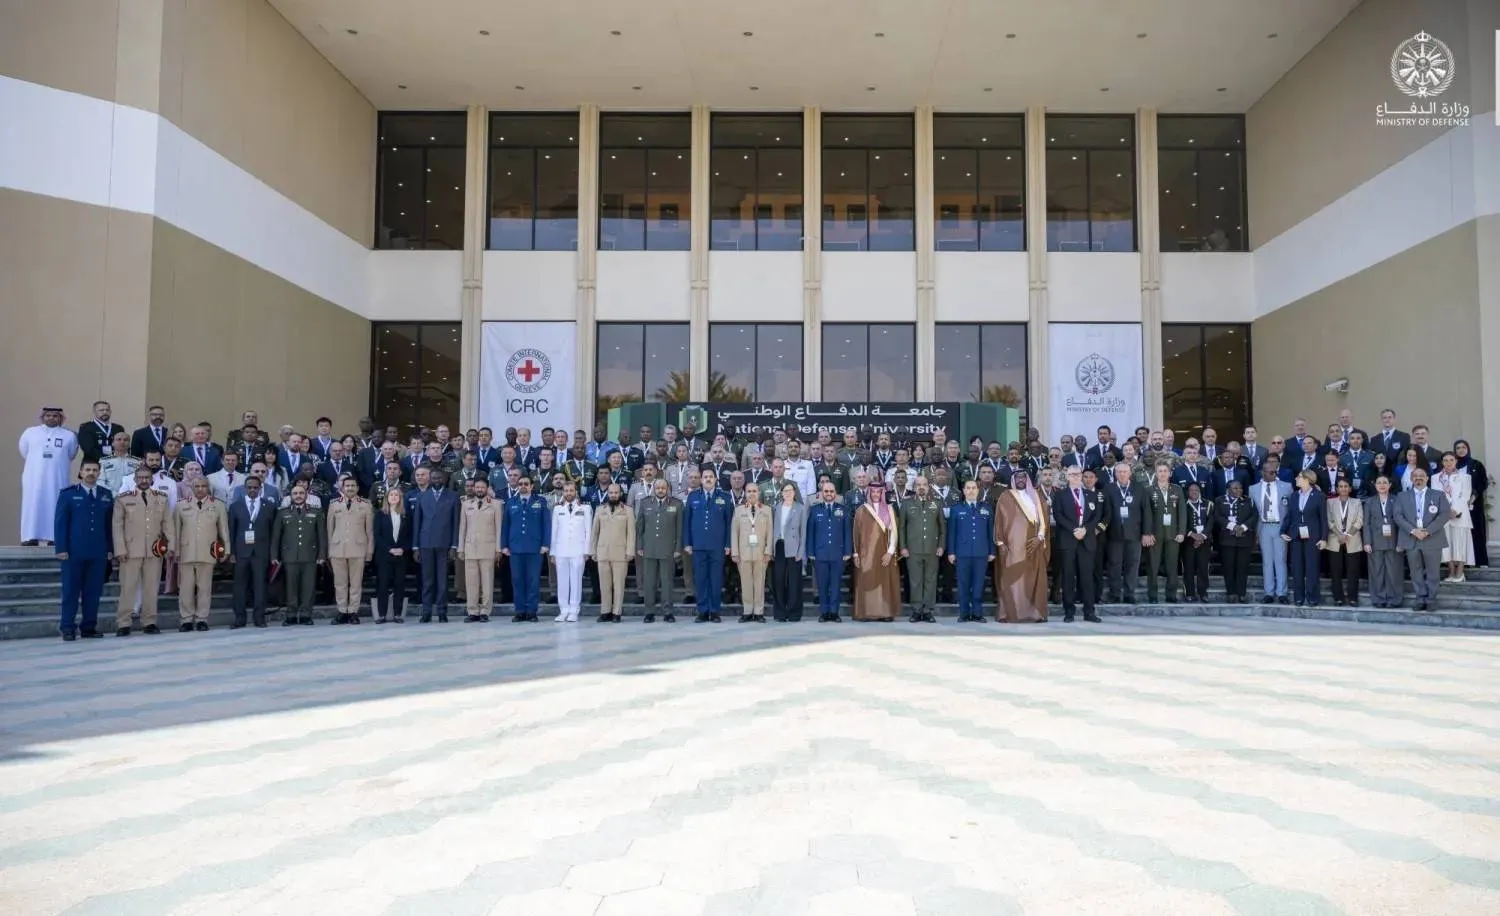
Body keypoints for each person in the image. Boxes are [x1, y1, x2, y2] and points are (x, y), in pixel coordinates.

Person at [54, 459, 114, 640]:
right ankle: (67, 627)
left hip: (98, 552)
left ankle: (88, 627)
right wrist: (61, 548)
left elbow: (109, 525)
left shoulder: (105, 494)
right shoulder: (68, 495)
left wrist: (110, 549)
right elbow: (60, 523)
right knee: (70, 591)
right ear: (80, 472)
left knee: (93, 592)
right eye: (87, 469)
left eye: (95, 470)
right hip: (73, 552)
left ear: (99, 473)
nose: (91, 473)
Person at [111, 466, 174, 636]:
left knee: (151, 588)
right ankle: (123, 623)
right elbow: (117, 526)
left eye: (147, 477)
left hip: (154, 550)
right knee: (128, 588)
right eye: (140, 477)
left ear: (152, 479)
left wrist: (171, 546)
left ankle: (150, 621)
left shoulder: (161, 498)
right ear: (135, 479)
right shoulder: (123, 499)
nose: (144, 480)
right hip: (130, 550)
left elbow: (167, 524)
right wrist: (120, 549)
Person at [995, 470, 1049, 623]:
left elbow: (1043, 519)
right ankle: (1012, 613)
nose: (1020, 480)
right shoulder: (1006, 496)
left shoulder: (1037, 496)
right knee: (1014, 578)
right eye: (1017, 477)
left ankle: (1035, 614)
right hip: (1013, 547)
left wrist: (1040, 537)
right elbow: (999, 521)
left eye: (1023, 477)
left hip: (1035, 544)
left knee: (1034, 579)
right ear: (1013, 479)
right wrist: (1000, 542)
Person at [20, 406, 80, 546]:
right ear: (42, 417)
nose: (51, 418)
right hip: (34, 478)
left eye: (55, 416)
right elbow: (24, 451)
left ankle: (54, 536)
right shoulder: (30, 432)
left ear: (61, 418)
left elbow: (71, 454)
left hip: (57, 478)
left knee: (56, 504)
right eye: (48, 415)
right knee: (32, 505)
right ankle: (30, 537)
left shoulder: (69, 435)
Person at [175, 477, 228, 632]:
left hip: (208, 552)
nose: (200, 489)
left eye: (203, 486)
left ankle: (202, 619)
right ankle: (186, 619)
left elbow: (223, 530)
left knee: (205, 588)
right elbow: (177, 531)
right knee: (185, 588)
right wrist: (175, 551)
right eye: (197, 486)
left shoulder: (217, 505)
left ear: (208, 487)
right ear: (192, 487)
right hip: (186, 552)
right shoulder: (181, 505)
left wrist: (226, 549)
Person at [1052, 466, 1104, 623]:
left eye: (1078, 474)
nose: (1075, 477)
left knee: (1087, 578)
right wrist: (1074, 529)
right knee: (1068, 578)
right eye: (1072, 474)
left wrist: (1085, 529)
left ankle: (1089, 612)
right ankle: (1069, 612)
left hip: (1086, 540)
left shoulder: (1091, 495)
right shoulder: (1060, 495)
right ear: (1067, 477)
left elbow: (1096, 516)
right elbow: (1058, 515)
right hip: (1069, 539)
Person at [271, 482, 327, 626]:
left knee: (308, 587)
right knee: (291, 587)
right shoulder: (283, 512)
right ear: (290, 496)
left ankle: (305, 614)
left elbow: (321, 535)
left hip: (310, 556)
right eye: (295, 493)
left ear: (306, 495)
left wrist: (322, 555)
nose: (298, 496)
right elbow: (276, 536)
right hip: (289, 556)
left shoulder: (316, 511)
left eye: (301, 493)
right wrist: (274, 556)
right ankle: (291, 614)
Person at [1395, 466, 1449, 611]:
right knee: (1415, 571)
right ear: (1411, 479)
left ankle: (1431, 599)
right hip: (1411, 538)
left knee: (1433, 571)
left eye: (1422, 476)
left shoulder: (1438, 495)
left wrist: (1428, 531)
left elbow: (1444, 514)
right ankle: (1420, 598)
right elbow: (1398, 516)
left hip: (1432, 538)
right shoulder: (1402, 496)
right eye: (1415, 476)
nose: (1418, 478)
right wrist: (1413, 530)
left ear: (1427, 478)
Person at [683, 469, 733, 622]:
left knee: (716, 579)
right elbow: (687, 522)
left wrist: (728, 544)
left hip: (717, 546)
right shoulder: (693, 497)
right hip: (698, 546)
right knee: (701, 579)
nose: (708, 479)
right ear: (701, 480)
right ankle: (703, 611)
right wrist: (687, 543)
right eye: (705, 477)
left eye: (711, 477)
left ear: (716, 479)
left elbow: (729, 523)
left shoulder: (724, 497)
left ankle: (715, 611)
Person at [227, 475, 277, 628]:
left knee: (260, 586)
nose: (252, 490)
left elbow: (273, 532)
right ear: (244, 489)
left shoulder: (269, 506)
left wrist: (272, 554)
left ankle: (259, 618)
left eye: (255, 487)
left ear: (260, 488)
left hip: (261, 553)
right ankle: (239, 618)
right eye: (249, 487)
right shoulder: (236, 506)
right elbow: (231, 531)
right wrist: (232, 553)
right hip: (241, 553)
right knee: (240, 586)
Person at [412, 468, 459, 623]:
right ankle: (426, 611)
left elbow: (456, 523)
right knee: (427, 580)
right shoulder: (422, 496)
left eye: (439, 478)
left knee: (442, 580)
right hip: (425, 544)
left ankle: (441, 611)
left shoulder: (453, 497)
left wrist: (454, 546)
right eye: (434, 478)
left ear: (444, 479)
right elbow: (417, 523)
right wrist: (415, 546)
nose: (437, 480)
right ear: (429, 479)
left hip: (444, 544)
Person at [502, 475, 551, 621]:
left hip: (535, 548)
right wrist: (504, 545)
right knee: (517, 580)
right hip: (515, 548)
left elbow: (546, 524)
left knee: (533, 581)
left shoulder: (540, 502)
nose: (523, 486)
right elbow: (505, 525)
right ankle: (519, 611)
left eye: (526, 484)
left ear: (531, 486)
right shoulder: (511, 503)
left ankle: (531, 611)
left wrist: (545, 544)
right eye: (521, 483)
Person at [946, 480, 995, 623]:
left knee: (979, 584)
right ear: (963, 490)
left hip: (981, 553)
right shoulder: (956, 509)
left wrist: (992, 551)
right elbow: (952, 533)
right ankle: (964, 613)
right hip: (962, 553)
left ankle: (977, 613)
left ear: (978, 490)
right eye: (968, 488)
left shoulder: (986, 508)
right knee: (963, 585)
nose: (971, 490)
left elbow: (990, 531)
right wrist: (951, 552)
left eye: (974, 488)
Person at [326, 477, 374, 624]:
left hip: (358, 548)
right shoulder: (334, 505)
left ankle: (353, 611)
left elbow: (369, 530)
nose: (350, 488)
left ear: (358, 488)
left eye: (353, 485)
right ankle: (342, 611)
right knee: (339, 583)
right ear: (342, 488)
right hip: (338, 548)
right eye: (347, 486)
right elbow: (329, 529)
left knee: (355, 583)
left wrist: (369, 551)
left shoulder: (365, 505)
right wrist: (329, 550)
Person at [851, 480, 900, 622]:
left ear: (882, 493)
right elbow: (855, 533)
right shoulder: (862, 509)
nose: (876, 494)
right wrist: (855, 553)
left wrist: (890, 552)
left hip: (884, 553)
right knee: (866, 582)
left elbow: (894, 533)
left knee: (885, 583)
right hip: (866, 555)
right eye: (873, 492)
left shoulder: (890, 509)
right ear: (869, 493)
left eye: (878, 492)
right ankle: (865, 613)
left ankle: (885, 613)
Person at [899, 476, 945, 623]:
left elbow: (943, 528)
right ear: (914, 487)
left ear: (929, 486)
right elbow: (901, 528)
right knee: (915, 581)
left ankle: (928, 611)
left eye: (924, 484)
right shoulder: (906, 504)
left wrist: (941, 546)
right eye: (918, 485)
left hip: (932, 549)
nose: (921, 487)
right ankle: (917, 610)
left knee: (930, 581)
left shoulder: (936, 503)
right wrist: (903, 547)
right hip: (913, 550)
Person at [636, 478, 682, 623]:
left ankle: (668, 611)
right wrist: (640, 546)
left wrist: (677, 548)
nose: (660, 490)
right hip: (649, 548)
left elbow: (679, 529)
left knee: (667, 581)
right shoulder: (645, 503)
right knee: (649, 582)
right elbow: (639, 528)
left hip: (668, 549)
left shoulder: (677, 504)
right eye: (658, 488)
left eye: (663, 488)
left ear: (668, 488)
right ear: (654, 489)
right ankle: (649, 611)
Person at [456, 478, 502, 622]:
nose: (480, 490)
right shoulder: (466, 504)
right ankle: (472, 610)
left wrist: (498, 548)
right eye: (477, 487)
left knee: (487, 581)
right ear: (474, 489)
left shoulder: (495, 504)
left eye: (483, 487)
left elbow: (499, 528)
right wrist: (461, 548)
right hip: (470, 547)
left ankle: (485, 611)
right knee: (471, 582)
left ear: (487, 488)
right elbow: (462, 528)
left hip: (488, 547)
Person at [1280, 470, 1328, 608]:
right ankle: (1299, 597)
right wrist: (1283, 530)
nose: (1296, 478)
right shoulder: (1294, 495)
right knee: (1297, 567)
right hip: (1296, 535)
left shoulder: (1319, 496)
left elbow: (1323, 519)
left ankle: (1313, 597)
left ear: (1307, 479)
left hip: (1313, 536)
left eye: (1299, 477)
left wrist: (1324, 538)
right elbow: (1289, 515)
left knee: (1312, 567)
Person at [807, 481, 852, 622]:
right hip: (820, 554)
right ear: (821, 493)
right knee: (822, 585)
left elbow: (847, 532)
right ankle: (824, 612)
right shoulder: (815, 510)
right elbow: (811, 533)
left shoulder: (843, 509)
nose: (829, 494)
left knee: (835, 585)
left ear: (835, 493)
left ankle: (834, 612)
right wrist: (810, 552)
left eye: (831, 491)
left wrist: (848, 551)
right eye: (826, 491)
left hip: (837, 554)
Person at [590, 482, 635, 623]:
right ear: (607, 494)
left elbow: (631, 533)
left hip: (620, 553)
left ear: (620, 494)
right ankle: (605, 611)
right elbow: (594, 532)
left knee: (619, 585)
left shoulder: (628, 510)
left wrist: (630, 551)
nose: (613, 495)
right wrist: (592, 550)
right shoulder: (599, 509)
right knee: (604, 585)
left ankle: (616, 613)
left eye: (616, 493)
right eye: (611, 493)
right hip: (602, 551)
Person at [1102, 462, 1146, 604]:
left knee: (1132, 564)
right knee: (1114, 564)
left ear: (1130, 473)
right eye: (1119, 472)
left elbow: (1146, 512)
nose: (1122, 474)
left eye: (1125, 472)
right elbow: (1106, 512)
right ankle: (1114, 593)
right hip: (1114, 533)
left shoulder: (1139, 489)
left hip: (1134, 533)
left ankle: (1129, 593)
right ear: (1115, 474)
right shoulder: (1108, 489)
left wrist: (1146, 532)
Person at [1143, 462, 1186, 603]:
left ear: (1170, 473)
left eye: (1165, 471)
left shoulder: (1177, 489)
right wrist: (1148, 533)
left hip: (1173, 533)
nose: (1162, 473)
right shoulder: (1149, 490)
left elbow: (1182, 512)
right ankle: (1153, 595)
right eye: (1160, 471)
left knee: (1172, 565)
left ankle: (1171, 595)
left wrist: (1181, 532)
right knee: (1153, 566)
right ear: (1156, 473)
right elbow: (1147, 514)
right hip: (1155, 533)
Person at [550, 480, 592, 623]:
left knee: (576, 581)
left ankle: (574, 610)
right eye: (566, 491)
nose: (568, 493)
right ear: (563, 492)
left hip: (578, 550)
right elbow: (554, 532)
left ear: (576, 492)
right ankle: (563, 610)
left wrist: (587, 551)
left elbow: (588, 531)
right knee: (562, 581)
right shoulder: (557, 509)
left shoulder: (585, 508)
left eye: (571, 491)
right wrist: (553, 552)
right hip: (561, 550)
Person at [730, 485, 772, 622]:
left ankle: (759, 611)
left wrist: (768, 551)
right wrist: (735, 552)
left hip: (761, 553)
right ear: (745, 493)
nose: (752, 493)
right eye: (749, 491)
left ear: (759, 493)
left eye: (754, 491)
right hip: (744, 553)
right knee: (746, 583)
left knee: (759, 583)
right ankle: (747, 611)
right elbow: (734, 533)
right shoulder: (738, 510)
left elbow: (770, 533)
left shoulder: (767, 510)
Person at [1362, 476, 1404, 608]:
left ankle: (1394, 599)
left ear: (1390, 485)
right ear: (1375, 486)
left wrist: (1401, 542)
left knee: (1394, 571)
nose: (1382, 485)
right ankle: (1379, 599)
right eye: (1379, 482)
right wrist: (1367, 542)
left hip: (1394, 540)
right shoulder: (1369, 502)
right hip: (1375, 541)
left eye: (1385, 482)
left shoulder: (1397, 500)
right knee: (1376, 571)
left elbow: (1402, 523)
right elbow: (1366, 523)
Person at [1432, 451, 1473, 582]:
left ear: (1456, 461)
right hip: (1443, 515)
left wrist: (1455, 510)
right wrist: (1446, 511)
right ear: (1442, 462)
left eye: (1451, 460)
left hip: (1460, 514)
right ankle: (1451, 572)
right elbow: (1435, 496)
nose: (1448, 463)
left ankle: (1460, 573)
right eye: (1445, 460)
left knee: (1460, 543)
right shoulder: (1436, 477)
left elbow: (1465, 495)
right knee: (1446, 545)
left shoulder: (1465, 477)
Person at [769, 482, 807, 622]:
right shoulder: (776, 508)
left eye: (790, 490)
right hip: (779, 546)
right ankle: (780, 612)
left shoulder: (801, 508)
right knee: (778, 581)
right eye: (785, 491)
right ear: (782, 493)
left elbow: (803, 532)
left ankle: (794, 613)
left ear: (795, 492)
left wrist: (801, 552)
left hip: (794, 547)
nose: (788, 493)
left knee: (794, 582)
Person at [372, 487, 412, 622]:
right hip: (385, 555)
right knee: (383, 585)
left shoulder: (406, 514)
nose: (394, 497)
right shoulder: (380, 514)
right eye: (391, 495)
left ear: (400, 498)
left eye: (397, 495)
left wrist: (403, 548)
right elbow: (377, 535)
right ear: (387, 498)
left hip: (401, 555)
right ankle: (382, 614)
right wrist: (389, 549)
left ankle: (397, 614)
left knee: (399, 585)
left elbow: (409, 535)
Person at [1213, 480, 1255, 603]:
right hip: (1227, 539)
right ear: (1228, 490)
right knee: (1228, 567)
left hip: (1244, 539)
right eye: (1235, 488)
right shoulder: (1220, 500)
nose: (1239, 490)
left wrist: (1243, 527)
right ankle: (1231, 593)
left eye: (1240, 488)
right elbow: (1218, 516)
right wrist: (1232, 526)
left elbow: (1254, 516)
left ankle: (1241, 593)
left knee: (1242, 567)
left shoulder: (1248, 501)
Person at [1323, 478, 1364, 606]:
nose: (1343, 488)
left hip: (1352, 539)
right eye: (1340, 486)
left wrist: (1348, 534)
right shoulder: (1330, 502)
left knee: (1353, 571)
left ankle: (1352, 597)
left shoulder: (1357, 502)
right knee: (1336, 571)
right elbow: (1329, 521)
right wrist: (1339, 534)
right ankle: (1338, 597)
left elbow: (1359, 521)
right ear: (1336, 489)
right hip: (1335, 539)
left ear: (1350, 489)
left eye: (1346, 486)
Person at [1453, 440, 1488, 568]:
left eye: (1463, 447)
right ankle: (1462, 562)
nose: (1461, 450)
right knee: (1459, 534)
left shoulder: (1476, 465)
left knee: (1477, 532)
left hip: (1473, 505)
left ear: (1468, 449)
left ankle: (1480, 561)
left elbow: (1483, 482)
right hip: (1457, 507)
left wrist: (1473, 496)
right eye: (1458, 448)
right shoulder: (1452, 466)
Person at [1180, 482, 1212, 602]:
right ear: (1187, 492)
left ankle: (1203, 592)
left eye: (1197, 490)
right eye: (1192, 490)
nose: (1194, 492)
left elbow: (1210, 522)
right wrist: (1192, 535)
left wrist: (1202, 536)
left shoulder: (1208, 504)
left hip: (1204, 541)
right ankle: (1189, 593)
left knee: (1203, 567)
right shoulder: (1183, 504)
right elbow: (1180, 522)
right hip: (1188, 541)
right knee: (1188, 567)